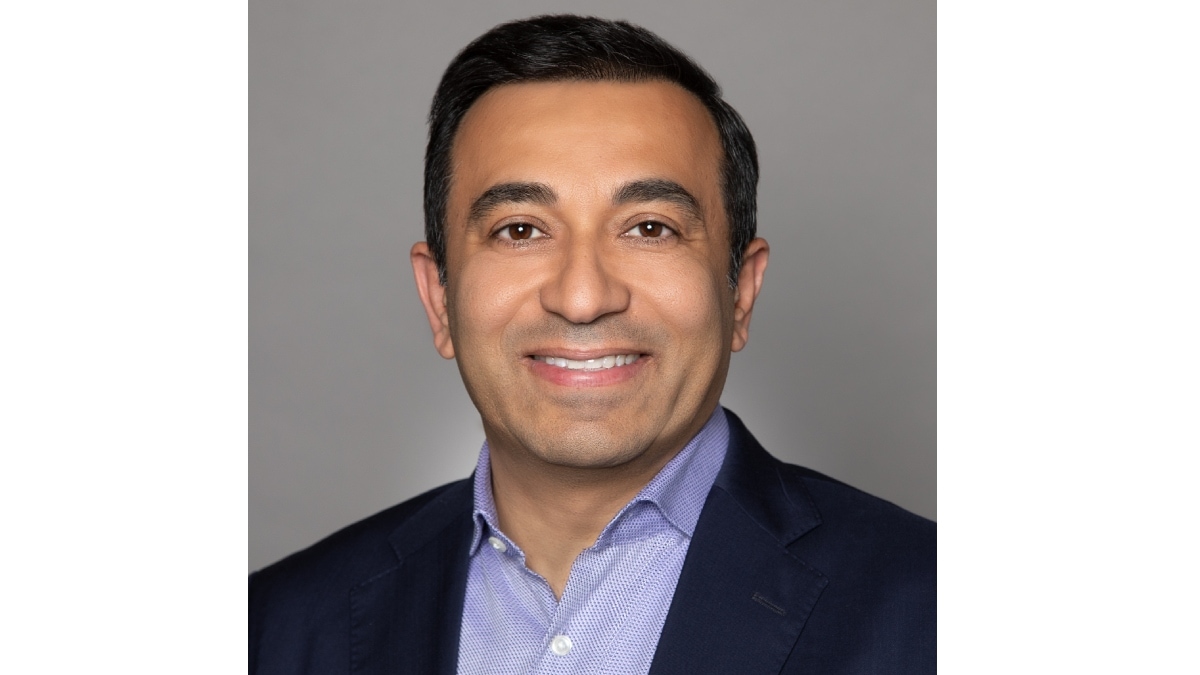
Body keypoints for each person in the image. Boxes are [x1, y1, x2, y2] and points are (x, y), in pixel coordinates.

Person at [249, 14, 934, 675]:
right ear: (439, 299)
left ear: (740, 292)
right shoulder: (269, 629)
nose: (582, 296)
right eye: (520, 230)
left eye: (650, 228)